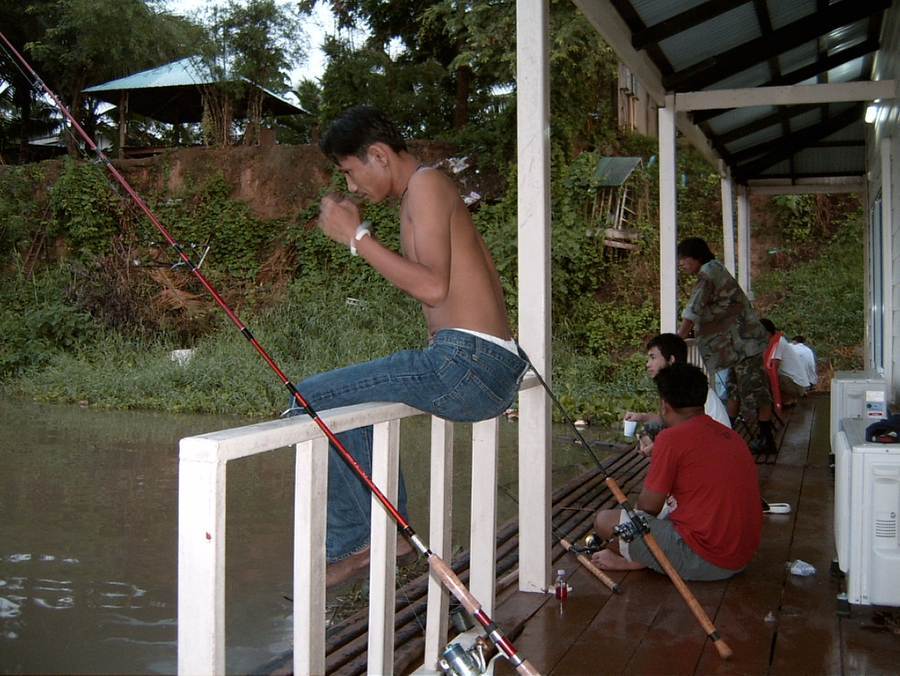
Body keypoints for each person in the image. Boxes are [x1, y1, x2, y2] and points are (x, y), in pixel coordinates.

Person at [290, 106, 528, 586]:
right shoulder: (427, 192)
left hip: (467, 362)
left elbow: (433, 288)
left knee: (310, 398)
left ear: (377, 154)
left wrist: (357, 238)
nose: (353, 187)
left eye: (351, 172)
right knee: (356, 403)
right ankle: (379, 533)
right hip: (485, 362)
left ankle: (364, 541)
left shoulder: (426, 185)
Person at [591, 363, 762, 580]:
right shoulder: (732, 437)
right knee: (662, 513)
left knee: (604, 521)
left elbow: (647, 508)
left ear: (664, 405)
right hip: (741, 556)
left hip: (707, 560)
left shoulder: (671, 439)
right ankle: (643, 557)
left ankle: (639, 561)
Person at [676, 237, 776, 455]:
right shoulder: (715, 269)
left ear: (696, 257)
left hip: (745, 344)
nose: (681, 264)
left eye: (684, 259)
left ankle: (766, 439)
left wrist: (679, 337)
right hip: (738, 346)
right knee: (734, 390)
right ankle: (727, 435)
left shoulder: (708, 273)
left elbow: (693, 308)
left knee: (757, 391)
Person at [625, 333, 730, 458]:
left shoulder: (683, 388)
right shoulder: (683, 382)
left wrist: (658, 447)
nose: (648, 364)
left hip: (714, 450)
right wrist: (641, 417)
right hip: (716, 443)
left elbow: (690, 432)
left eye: (653, 357)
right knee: (649, 430)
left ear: (671, 360)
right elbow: (674, 422)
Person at [760, 319, 811, 407]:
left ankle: (787, 399)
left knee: (765, 376)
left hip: (796, 385)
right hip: (796, 384)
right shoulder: (775, 340)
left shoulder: (778, 342)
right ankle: (788, 398)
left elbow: (774, 367)